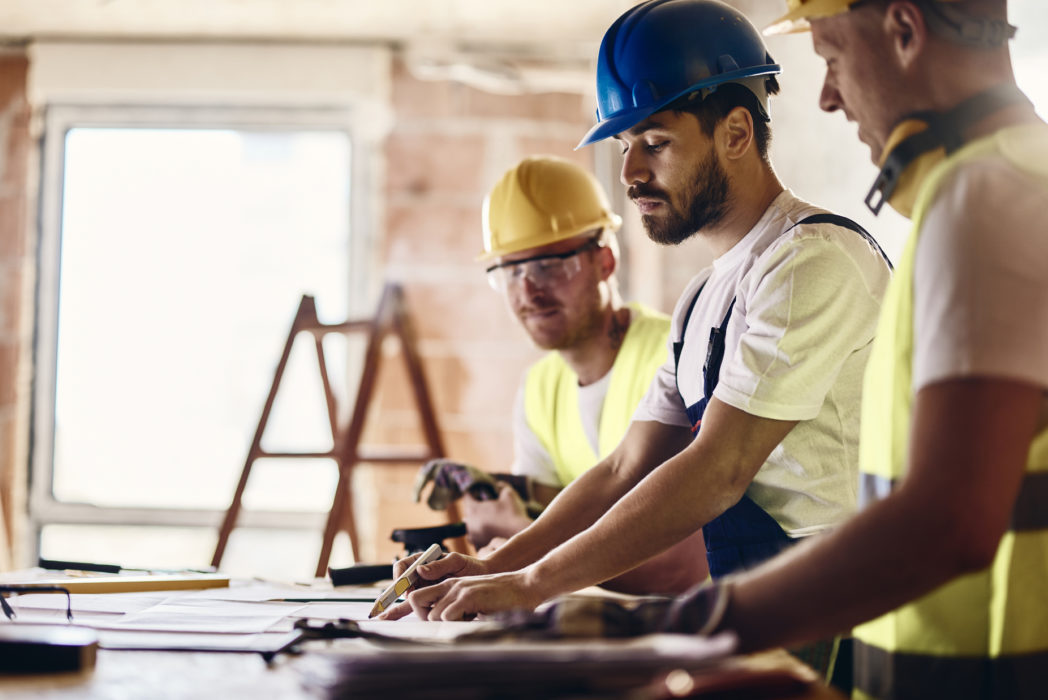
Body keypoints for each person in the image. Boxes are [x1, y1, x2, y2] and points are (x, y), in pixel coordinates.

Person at [381, 0, 892, 631]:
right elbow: (628, 466)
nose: (630, 173)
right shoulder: (705, 295)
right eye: (625, 146)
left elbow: (719, 469)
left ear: (735, 132)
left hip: (837, 609)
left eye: (654, 143)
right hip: (762, 602)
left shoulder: (811, 262)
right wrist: (497, 566)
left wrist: (530, 584)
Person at [632, 1, 1047, 698]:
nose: (827, 96)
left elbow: (950, 522)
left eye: (831, 57)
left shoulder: (983, 194)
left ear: (904, 31)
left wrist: (709, 622)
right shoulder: (1014, 179)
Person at [414, 155, 709, 595]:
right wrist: (508, 502)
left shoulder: (678, 356)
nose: (528, 291)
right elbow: (562, 515)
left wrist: (517, 540)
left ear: (605, 261)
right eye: (510, 272)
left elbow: (680, 566)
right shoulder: (539, 389)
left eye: (549, 266)